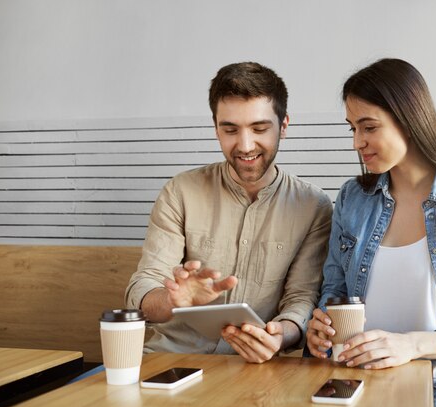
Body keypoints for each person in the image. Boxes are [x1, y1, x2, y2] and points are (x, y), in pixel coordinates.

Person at [305, 58, 436, 407]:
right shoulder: (352, 199)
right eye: (352, 128)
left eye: (368, 127)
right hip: (352, 377)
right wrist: (321, 326)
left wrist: (411, 345)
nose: (357, 142)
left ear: (409, 120)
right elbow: (332, 293)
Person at [126, 61, 333, 363]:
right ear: (216, 129)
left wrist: (280, 335)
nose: (245, 145)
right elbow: (142, 288)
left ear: (284, 126)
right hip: (171, 360)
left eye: (260, 128)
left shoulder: (313, 206)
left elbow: (300, 300)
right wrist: (173, 301)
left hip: (256, 369)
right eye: (230, 130)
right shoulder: (180, 192)